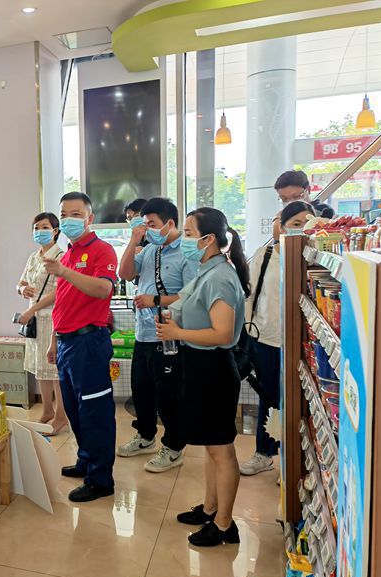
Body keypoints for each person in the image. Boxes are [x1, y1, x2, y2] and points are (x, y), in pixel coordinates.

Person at [156, 207, 250, 547]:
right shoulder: (206, 270)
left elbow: (222, 333)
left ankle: (224, 525)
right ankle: (211, 508)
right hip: (198, 366)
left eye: (189, 233)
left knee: (221, 450)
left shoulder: (220, 277)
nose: (184, 238)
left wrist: (177, 331)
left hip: (214, 370)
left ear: (209, 239)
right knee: (212, 447)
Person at [45, 192, 118, 503]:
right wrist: (54, 341)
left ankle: (101, 479)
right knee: (75, 409)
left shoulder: (102, 250)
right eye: (64, 214)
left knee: (95, 412)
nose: (69, 220)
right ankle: (86, 460)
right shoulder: (68, 253)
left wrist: (64, 272)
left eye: (76, 214)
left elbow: (103, 289)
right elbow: (62, 302)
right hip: (67, 343)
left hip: (89, 342)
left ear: (90, 218)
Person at [116, 198, 197, 472]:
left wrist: (156, 300)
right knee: (141, 389)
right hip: (143, 333)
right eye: (144, 223)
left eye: (152, 224)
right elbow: (124, 273)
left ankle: (174, 447)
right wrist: (133, 241)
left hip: (169, 336)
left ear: (170, 223)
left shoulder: (187, 252)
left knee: (169, 395)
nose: (147, 228)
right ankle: (145, 436)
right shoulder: (151, 250)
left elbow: (193, 295)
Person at [240, 201, 315, 476]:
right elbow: (249, 294)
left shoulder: (315, 257)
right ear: (282, 227)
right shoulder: (266, 255)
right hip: (267, 339)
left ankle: (295, 460)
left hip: (305, 343)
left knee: (302, 401)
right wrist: (249, 331)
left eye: (307, 224)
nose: (301, 229)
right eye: (295, 224)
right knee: (269, 396)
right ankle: (264, 452)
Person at [16, 212, 68, 435]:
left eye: (44, 227)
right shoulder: (33, 257)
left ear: (55, 231)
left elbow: (59, 293)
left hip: (52, 318)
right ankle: (47, 410)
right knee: (40, 368)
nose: (39, 231)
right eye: (36, 227)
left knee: (54, 369)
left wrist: (31, 310)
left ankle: (61, 415)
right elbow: (21, 281)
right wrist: (22, 289)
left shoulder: (61, 256)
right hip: (34, 320)